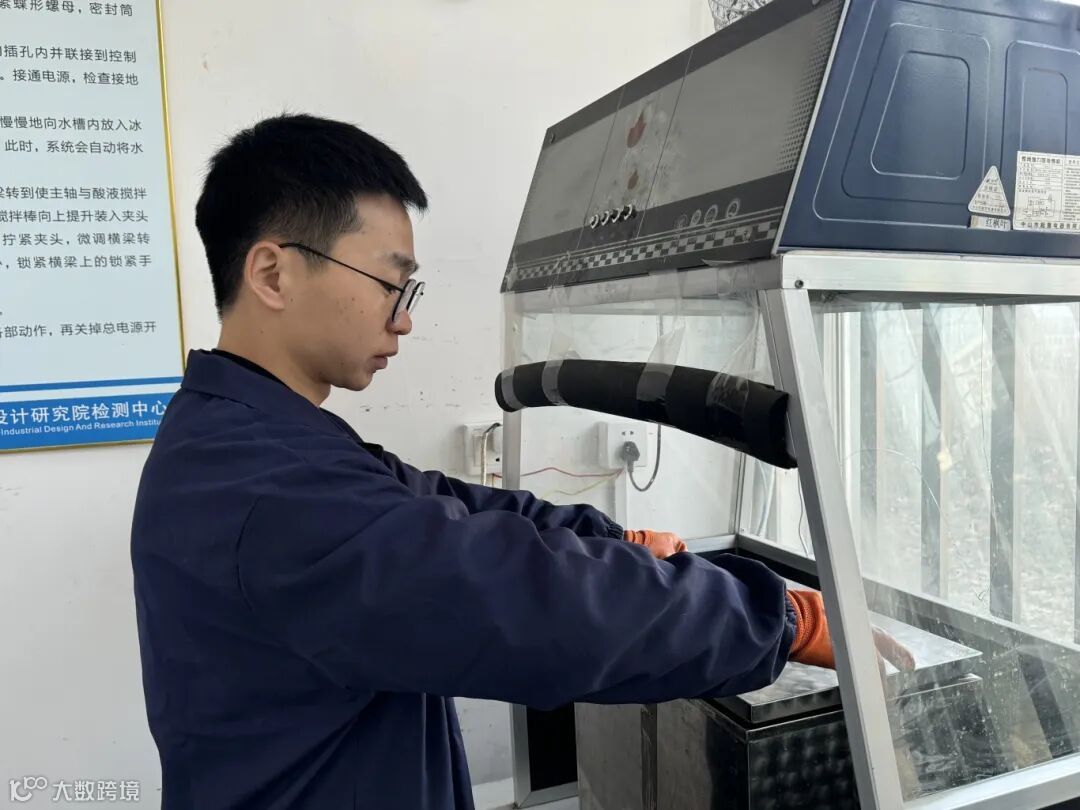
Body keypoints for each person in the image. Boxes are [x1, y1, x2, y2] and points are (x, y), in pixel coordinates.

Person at [130, 114, 912, 810]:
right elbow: (531, 602)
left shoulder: (253, 439)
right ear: (273, 273)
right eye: (391, 284)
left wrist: (615, 541)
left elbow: (448, 508)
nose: (403, 321)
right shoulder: (267, 492)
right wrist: (781, 619)